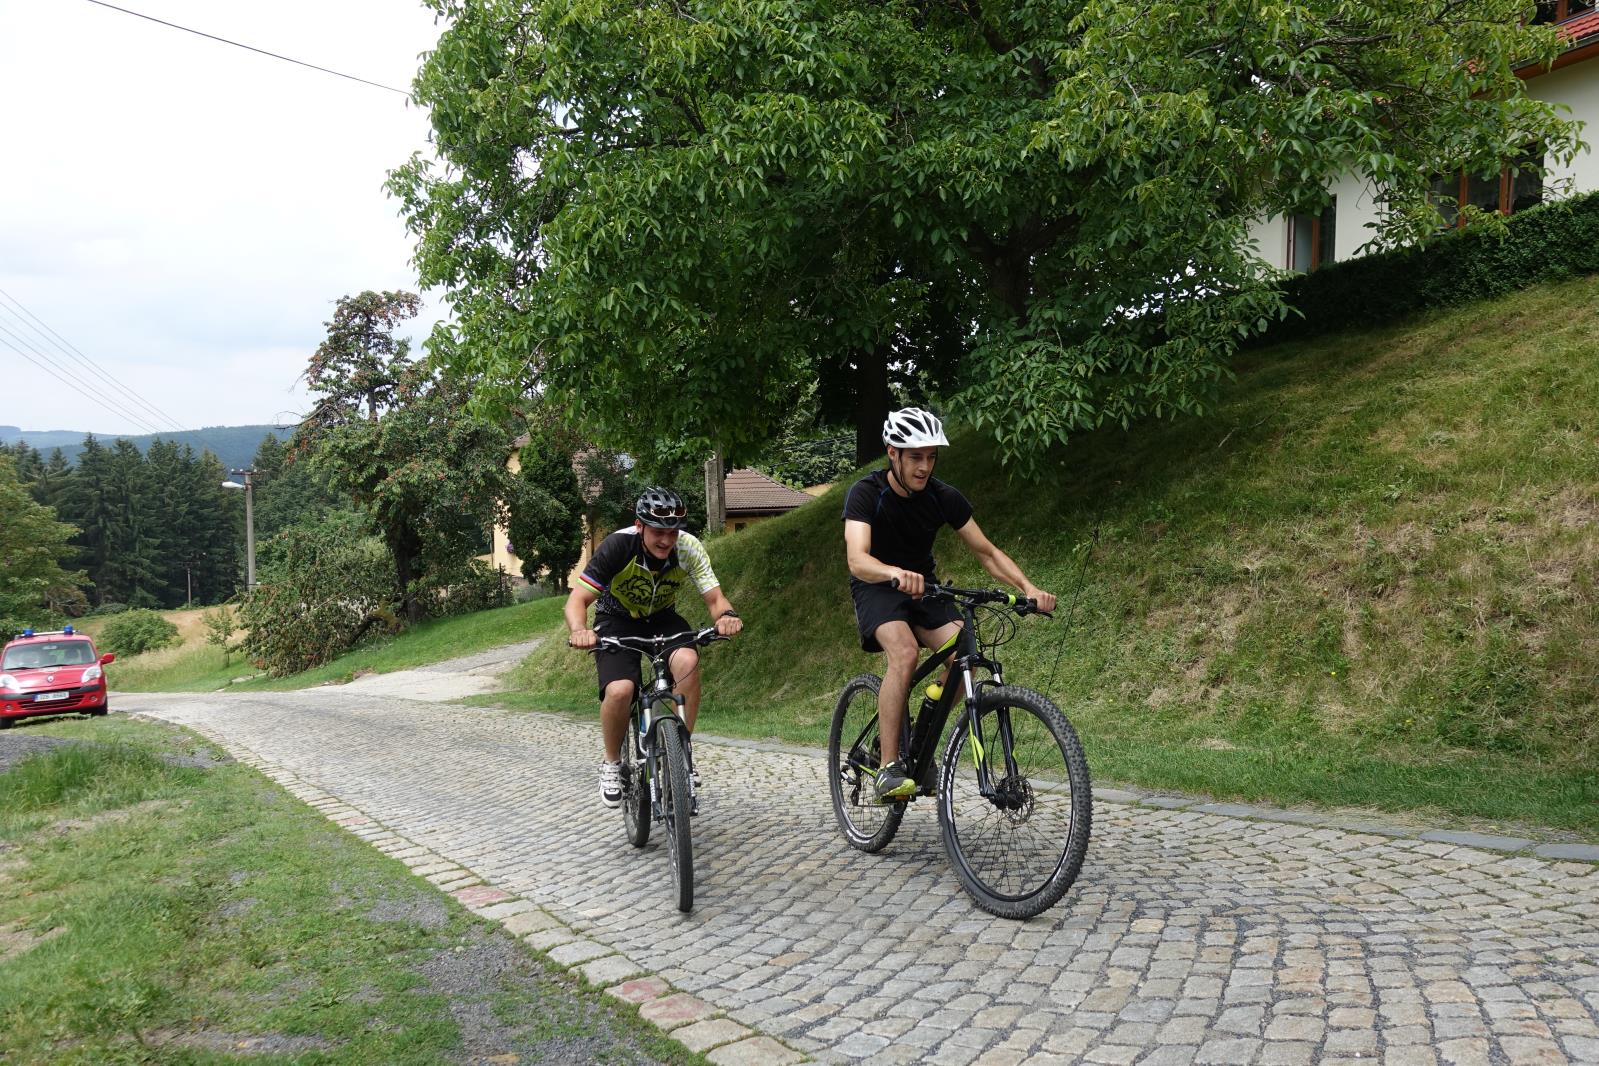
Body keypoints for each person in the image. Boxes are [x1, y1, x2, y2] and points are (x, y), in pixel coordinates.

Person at [843, 407, 1057, 802]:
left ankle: (921, 733)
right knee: (904, 653)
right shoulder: (866, 493)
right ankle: (888, 767)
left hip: (925, 588)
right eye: (915, 457)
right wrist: (893, 572)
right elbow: (858, 558)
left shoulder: (943, 497)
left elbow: (987, 552)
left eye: (931, 457)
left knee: (965, 656)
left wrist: (1028, 587)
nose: (924, 467)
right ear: (893, 453)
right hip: (876, 586)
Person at [566, 487, 743, 807]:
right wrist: (580, 630)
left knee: (688, 661)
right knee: (620, 690)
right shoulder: (618, 546)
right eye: (658, 532)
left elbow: (715, 599)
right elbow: (577, 600)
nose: (666, 540)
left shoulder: (688, 548)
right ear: (640, 526)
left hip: (662, 618)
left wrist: (727, 616)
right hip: (617, 619)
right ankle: (611, 763)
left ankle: (681, 755)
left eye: (672, 532)